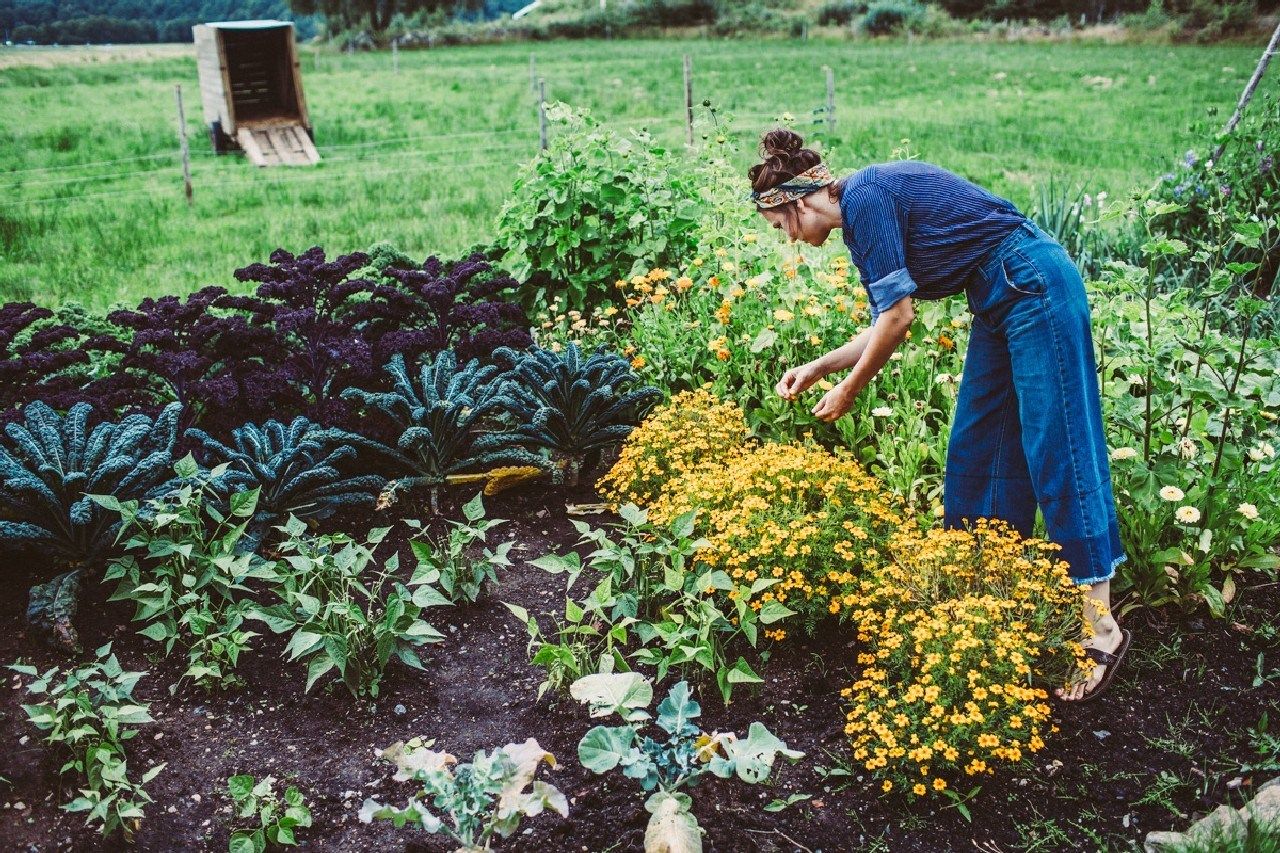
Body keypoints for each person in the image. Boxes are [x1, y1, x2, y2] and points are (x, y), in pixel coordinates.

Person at [750, 128, 1130, 703]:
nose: (790, 242)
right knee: (980, 449)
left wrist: (851, 390)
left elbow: (898, 319)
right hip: (999, 296)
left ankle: (1100, 627)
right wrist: (821, 368)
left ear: (799, 201)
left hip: (1034, 283)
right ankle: (988, 603)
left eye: (784, 229)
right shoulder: (859, 218)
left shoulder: (867, 196)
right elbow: (885, 321)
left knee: (1060, 448)